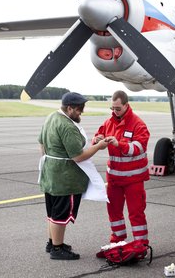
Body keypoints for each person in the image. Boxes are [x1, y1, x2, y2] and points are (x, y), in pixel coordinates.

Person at [38, 91, 108, 261]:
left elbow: (41, 143)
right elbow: (78, 156)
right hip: (64, 178)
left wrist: (52, 162)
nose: (81, 112)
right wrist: (99, 146)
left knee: (52, 212)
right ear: (69, 108)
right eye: (79, 109)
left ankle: (53, 243)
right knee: (60, 214)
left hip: (50, 173)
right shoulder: (67, 126)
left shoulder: (51, 117)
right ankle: (57, 249)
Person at [92, 90, 150, 246]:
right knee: (114, 212)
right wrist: (98, 139)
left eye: (117, 108)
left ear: (126, 105)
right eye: (112, 108)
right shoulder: (108, 122)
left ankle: (140, 244)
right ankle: (118, 241)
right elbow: (97, 137)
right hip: (114, 179)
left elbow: (139, 147)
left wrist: (120, 144)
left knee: (136, 213)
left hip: (133, 180)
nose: (114, 111)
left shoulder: (138, 124)